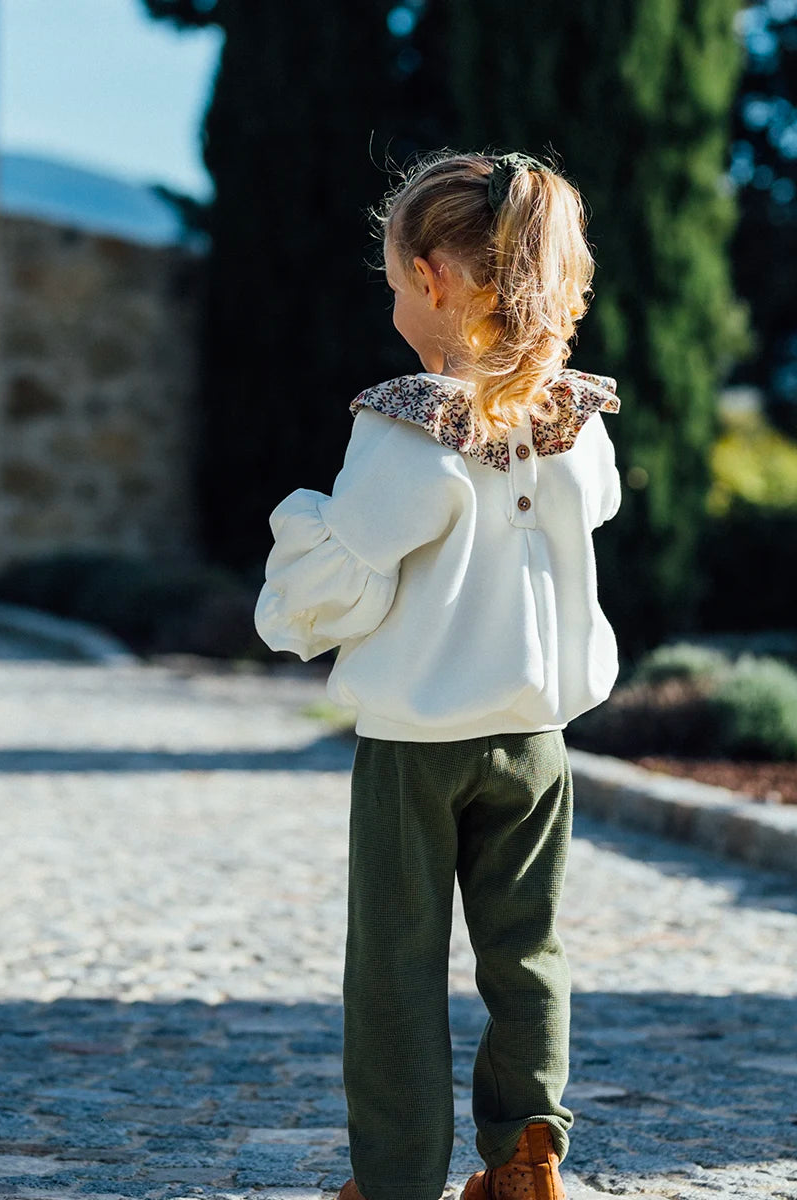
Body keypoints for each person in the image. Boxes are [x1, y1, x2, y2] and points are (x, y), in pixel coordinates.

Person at [253, 149, 623, 1200]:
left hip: (417, 746)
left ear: (434, 277)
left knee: (396, 972)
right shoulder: (576, 426)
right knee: (528, 953)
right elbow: (582, 523)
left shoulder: (408, 425)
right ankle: (525, 1160)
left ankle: (397, 1180)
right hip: (537, 743)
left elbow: (351, 579)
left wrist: (301, 557)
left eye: (389, 278)